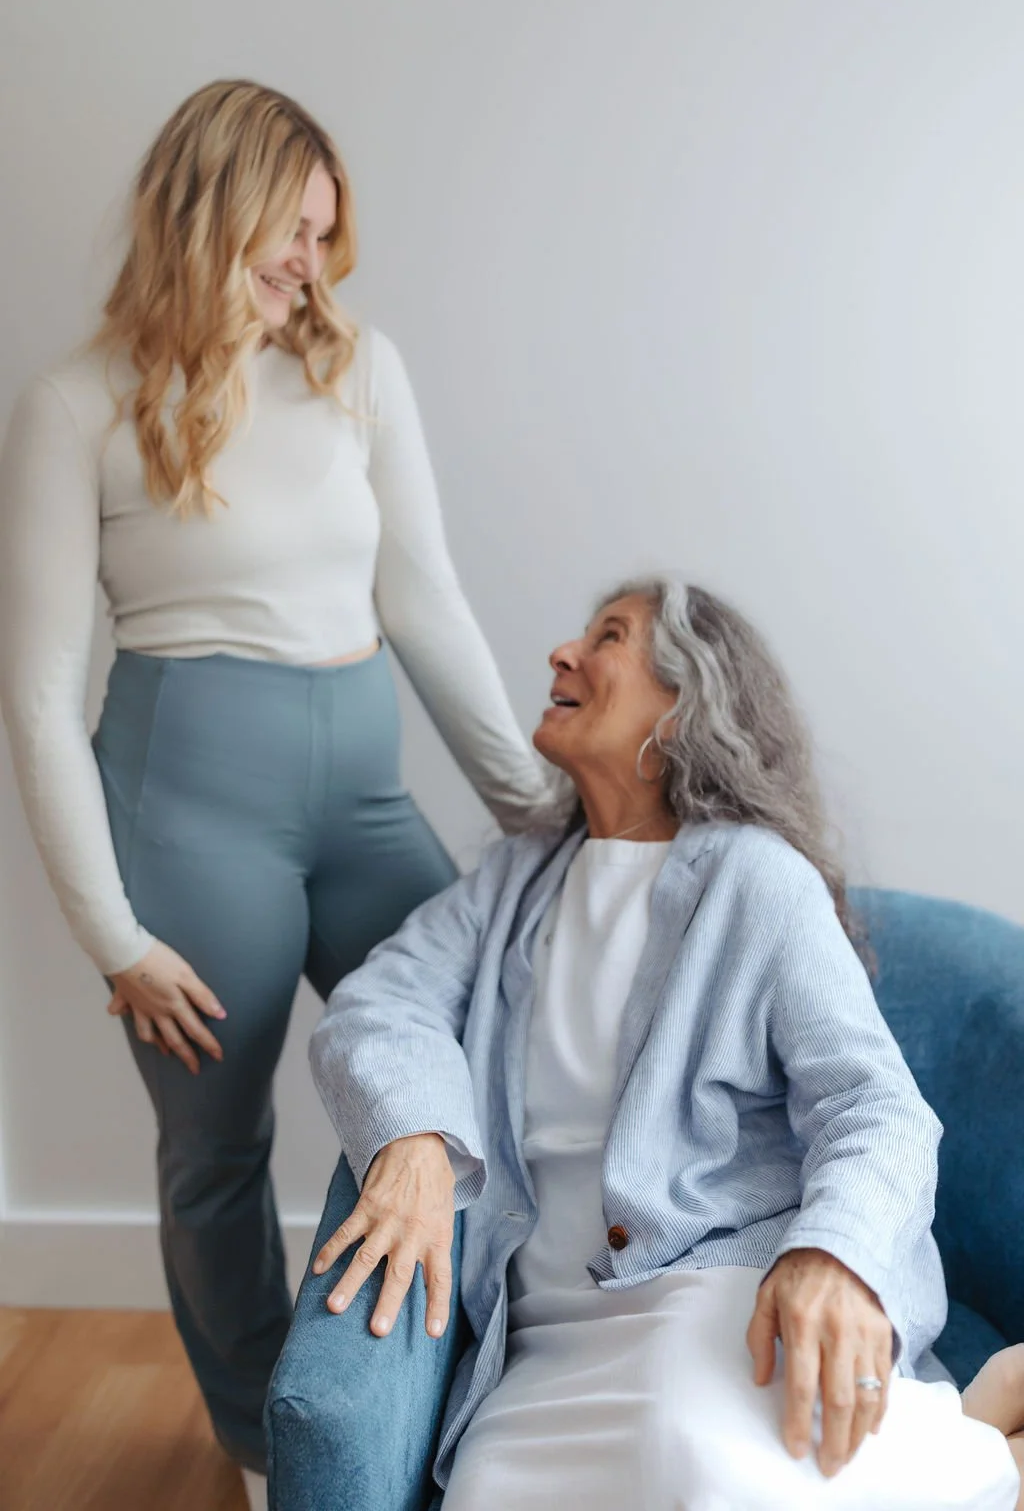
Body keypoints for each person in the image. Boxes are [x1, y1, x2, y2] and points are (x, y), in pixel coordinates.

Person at [0, 79, 544, 1508]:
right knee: (217, 1149)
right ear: (207, 210)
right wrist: (111, 936)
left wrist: (537, 806)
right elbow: (43, 694)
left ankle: (473, 1366)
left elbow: (424, 601)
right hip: (187, 816)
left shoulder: (359, 370)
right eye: (288, 231)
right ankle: (261, 1436)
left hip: (362, 800)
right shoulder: (73, 406)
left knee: (481, 1055)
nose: (313, 263)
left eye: (324, 234)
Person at [306, 577, 1023, 1509]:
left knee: (696, 1470)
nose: (563, 654)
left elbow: (875, 1104)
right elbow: (377, 1004)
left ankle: (979, 1453)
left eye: (607, 637)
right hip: (544, 1341)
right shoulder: (508, 889)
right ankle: (975, 1440)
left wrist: (835, 1255)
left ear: (682, 709)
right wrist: (414, 1140)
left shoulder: (755, 878)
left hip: (714, 1299)